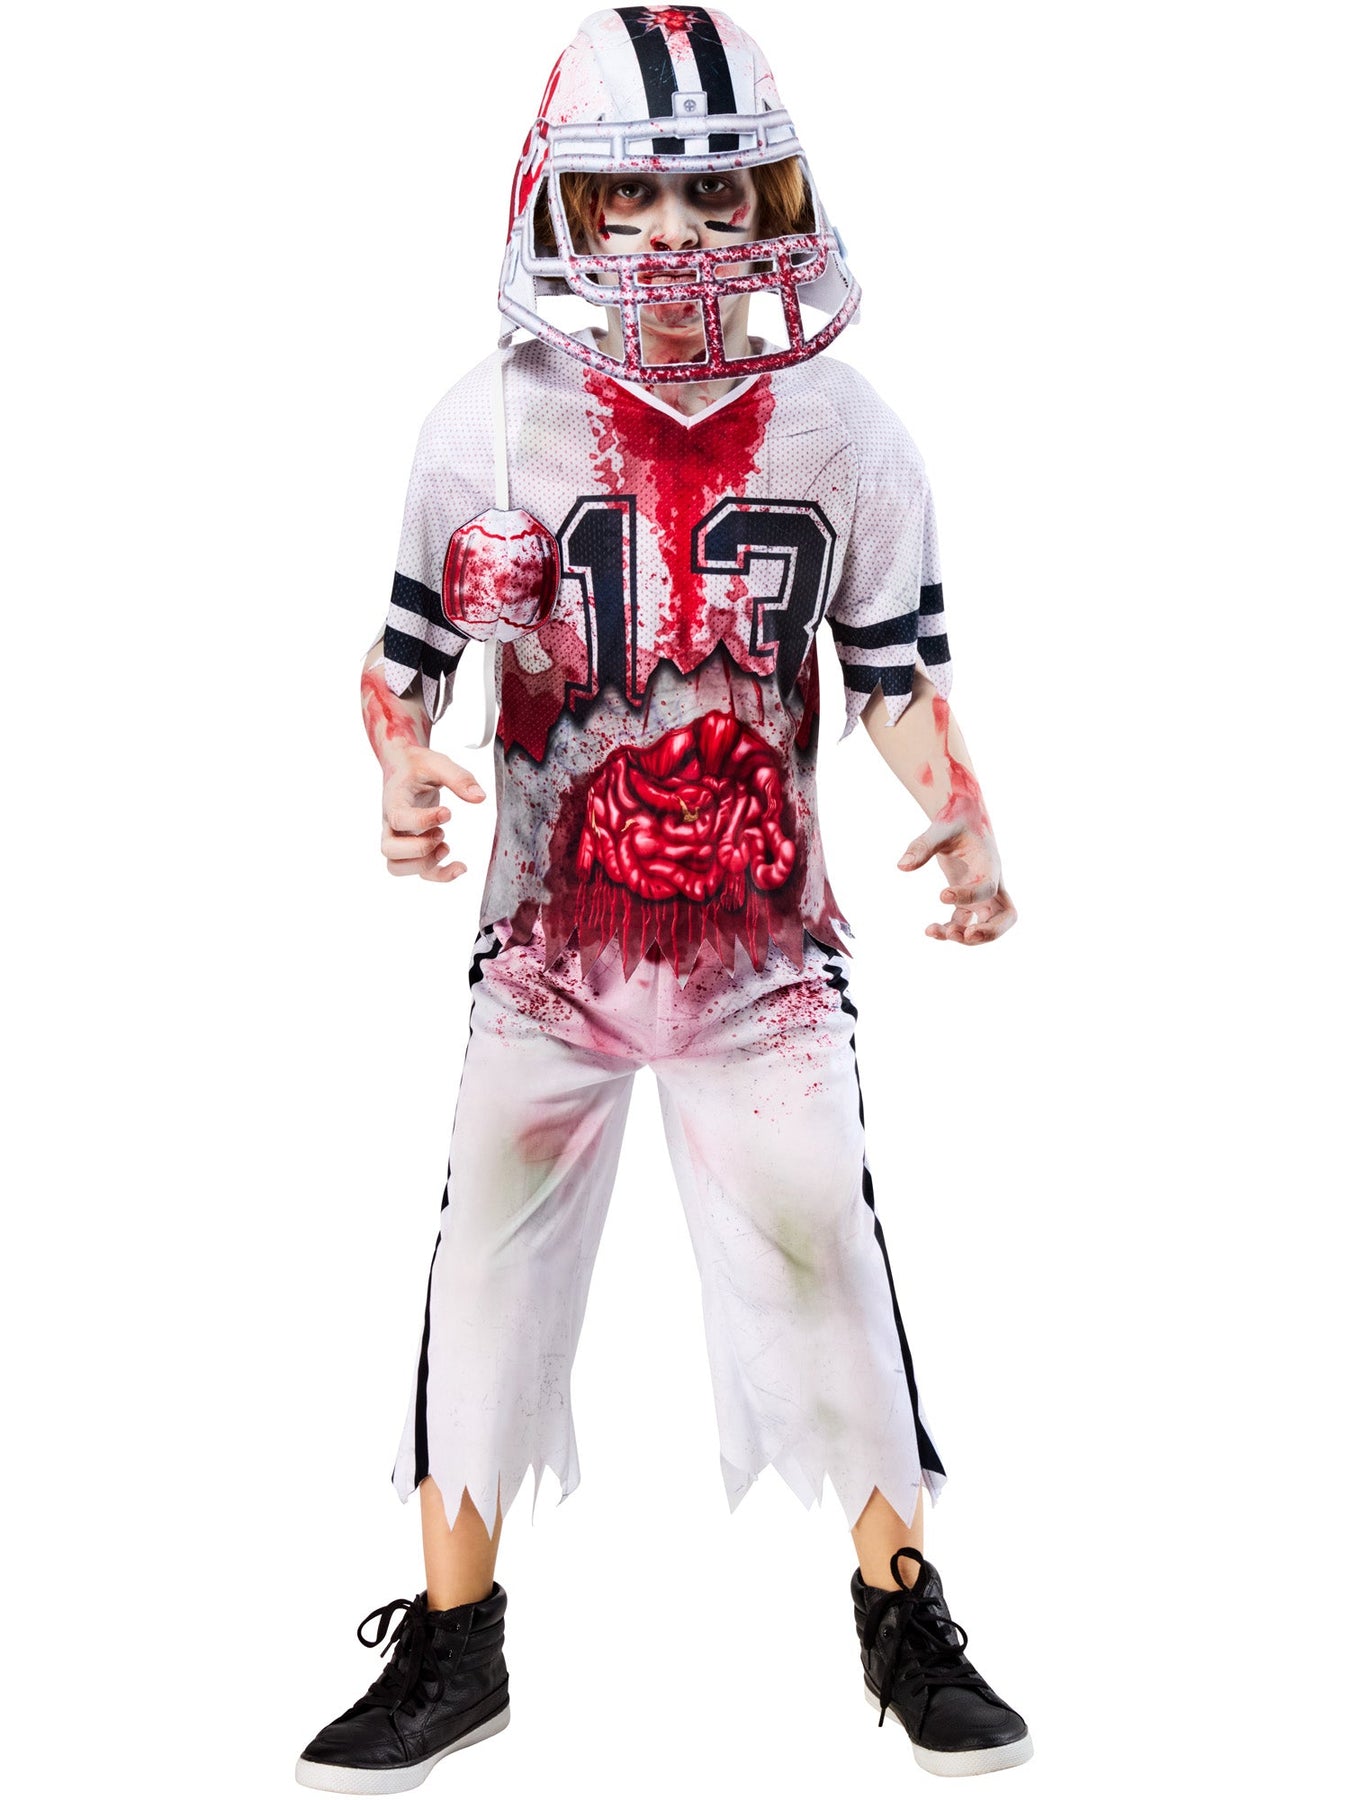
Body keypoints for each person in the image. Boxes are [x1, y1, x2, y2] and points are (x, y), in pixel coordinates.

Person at [297, 8, 1029, 1790]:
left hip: (760, 951)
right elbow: (395, 666)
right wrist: (397, 764)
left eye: (716, 192)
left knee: (822, 1249)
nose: (680, 236)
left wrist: (959, 805)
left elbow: (894, 674)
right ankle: (455, 1642)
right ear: (565, 203)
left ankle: (900, 1608)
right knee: (483, 1278)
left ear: (775, 194)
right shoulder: (484, 425)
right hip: (544, 945)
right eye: (634, 195)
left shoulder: (842, 430)